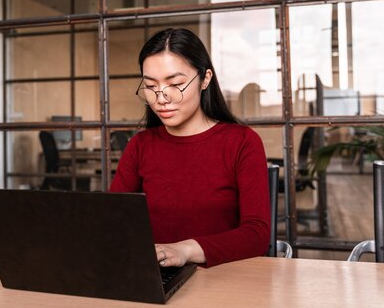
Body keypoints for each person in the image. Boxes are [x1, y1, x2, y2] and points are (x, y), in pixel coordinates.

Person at [109, 28, 271, 268]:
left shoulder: (242, 142)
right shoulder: (140, 146)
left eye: (175, 84)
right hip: (154, 279)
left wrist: (185, 250)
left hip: (224, 282)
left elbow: (257, 234)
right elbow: (111, 221)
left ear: (205, 79)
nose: (161, 98)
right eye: (151, 87)